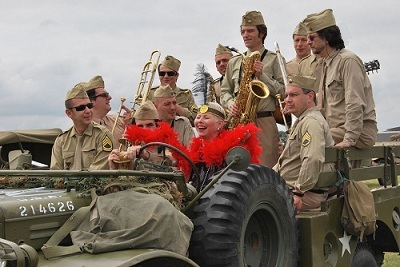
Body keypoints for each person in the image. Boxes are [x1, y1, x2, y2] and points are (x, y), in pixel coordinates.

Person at [302, 9, 377, 149]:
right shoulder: (327, 63)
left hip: (358, 131)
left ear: (327, 38)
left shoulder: (347, 61)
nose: (308, 43)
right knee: (301, 136)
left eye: (312, 38)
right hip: (337, 129)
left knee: (308, 138)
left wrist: (349, 139)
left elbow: (355, 102)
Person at [220, 10, 285, 168]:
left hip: (264, 122)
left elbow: (283, 92)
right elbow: (224, 92)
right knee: (236, 168)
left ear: (261, 33)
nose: (245, 35)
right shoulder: (235, 62)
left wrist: (263, 76)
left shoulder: (275, 59)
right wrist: (230, 104)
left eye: (250, 31)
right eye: (243, 31)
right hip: (238, 122)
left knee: (266, 169)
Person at [273, 74, 335, 212]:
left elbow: (312, 158)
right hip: (291, 190)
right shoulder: (303, 121)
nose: (287, 100)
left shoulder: (311, 122)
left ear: (310, 96)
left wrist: (298, 192)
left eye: (293, 95)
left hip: (305, 194)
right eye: (286, 95)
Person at [188, 102, 262, 191]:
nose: (200, 121)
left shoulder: (232, 149)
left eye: (206, 117)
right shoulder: (195, 148)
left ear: (220, 124)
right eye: (198, 117)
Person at [50, 83, 114, 170]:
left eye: (89, 106)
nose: (88, 111)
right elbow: (55, 173)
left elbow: (98, 172)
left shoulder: (103, 135)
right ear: (69, 113)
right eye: (81, 108)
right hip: (65, 183)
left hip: (94, 183)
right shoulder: (62, 140)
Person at [148, 55, 197, 125]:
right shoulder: (150, 93)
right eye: (162, 73)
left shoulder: (186, 95)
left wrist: (175, 107)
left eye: (170, 73)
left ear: (176, 76)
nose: (166, 76)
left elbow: (195, 119)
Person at [85, 75, 130, 144]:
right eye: (104, 95)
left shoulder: (119, 121)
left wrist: (131, 123)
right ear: (91, 101)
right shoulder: (84, 127)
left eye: (108, 94)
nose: (110, 97)